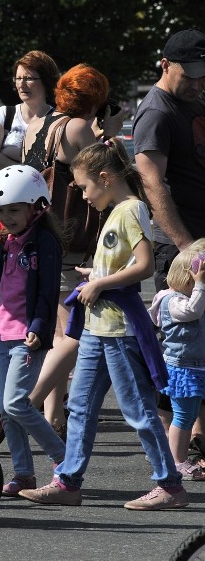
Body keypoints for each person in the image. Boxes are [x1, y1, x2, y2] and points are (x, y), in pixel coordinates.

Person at [20, 139, 188, 510]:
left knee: (138, 409)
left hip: (119, 329)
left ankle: (170, 486)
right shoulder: (117, 211)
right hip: (98, 328)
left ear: (105, 177)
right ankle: (69, 482)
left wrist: (99, 282)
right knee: (79, 407)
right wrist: (95, 273)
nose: (81, 195)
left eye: (82, 187)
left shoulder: (130, 210)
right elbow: (123, 264)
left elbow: (143, 267)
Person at [22, 63, 125, 439]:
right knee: (73, 336)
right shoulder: (80, 127)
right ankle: (27, 404)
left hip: (42, 236)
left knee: (57, 334)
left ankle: (53, 419)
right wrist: (109, 134)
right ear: (95, 100)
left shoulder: (41, 124)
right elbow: (107, 173)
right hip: (71, 242)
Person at [0, 165, 67, 497]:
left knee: (18, 404)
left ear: (37, 205)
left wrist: (38, 326)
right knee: (5, 409)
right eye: (1, 211)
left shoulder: (44, 242)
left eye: (15, 209)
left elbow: (48, 291)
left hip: (27, 337)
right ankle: (23, 474)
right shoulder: (7, 244)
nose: (7, 217)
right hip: (1, 336)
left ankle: (66, 461)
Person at [133, 29, 205, 435]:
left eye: (203, 75)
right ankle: (174, 449)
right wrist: (186, 247)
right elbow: (151, 181)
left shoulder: (194, 100)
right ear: (165, 65)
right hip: (181, 250)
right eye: (189, 74)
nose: (197, 83)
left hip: (200, 243)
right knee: (178, 353)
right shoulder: (158, 111)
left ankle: (197, 437)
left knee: (201, 349)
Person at [0, 50, 59, 285]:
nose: (22, 84)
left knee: (35, 275)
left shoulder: (58, 119)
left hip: (40, 211)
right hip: (1, 209)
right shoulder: (4, 114)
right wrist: (26, 177)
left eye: (29, 78)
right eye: (18, 78)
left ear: (45, 80)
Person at [148, 241, 205, 481]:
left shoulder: (187, 297)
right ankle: (176, 462)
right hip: (182, 368)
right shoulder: (173, 301)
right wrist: (200, 284)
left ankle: (176, 459)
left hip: (194, 367)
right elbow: (192, 311)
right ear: (189, 279)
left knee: (188, 416)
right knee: (182, 416)